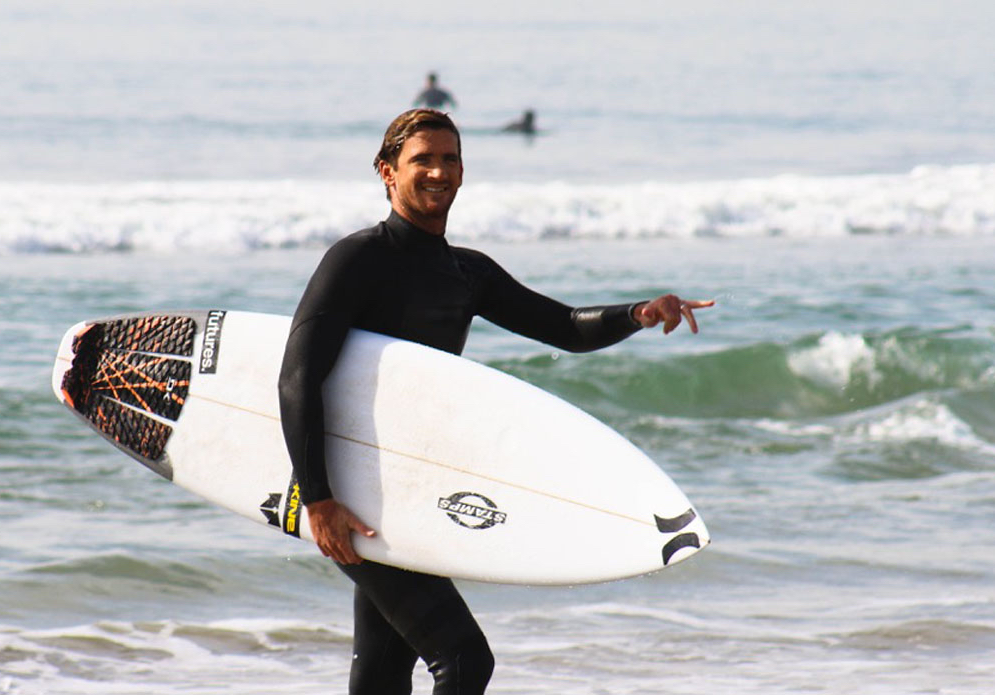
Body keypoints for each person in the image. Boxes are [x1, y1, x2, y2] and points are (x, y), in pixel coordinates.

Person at [277, 108, 712, 695]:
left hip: (410, 489)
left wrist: (638, 314)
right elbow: (297, 378)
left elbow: (562, 326)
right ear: (386, 172)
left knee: (383, 671)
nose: (438, 171)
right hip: (352, 492)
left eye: (449, 159)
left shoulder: (467, 273)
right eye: (421, 160)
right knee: (463, 659)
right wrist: (320, 499)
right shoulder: (357, 260)